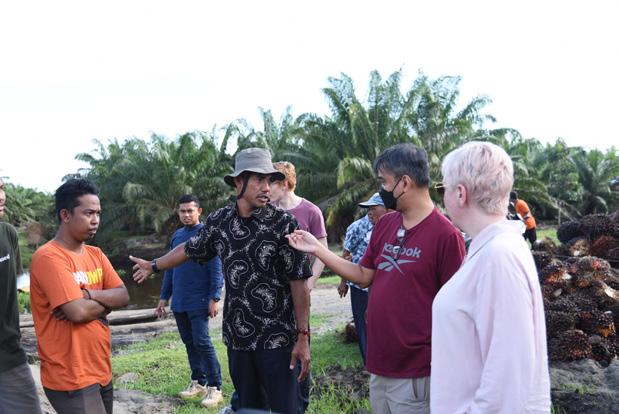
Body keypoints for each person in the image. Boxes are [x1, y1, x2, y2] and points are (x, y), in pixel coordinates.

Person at [287, 143, 466, 414]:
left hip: (416, 370)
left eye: (384, 182)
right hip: (380, 362)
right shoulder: (386, 224)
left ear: (404, 183)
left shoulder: (446, 236)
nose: (382, 189)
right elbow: (363, 275)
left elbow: (456, 314)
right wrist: (318, 249)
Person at [130, 147, 312, 414]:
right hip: (239, 340)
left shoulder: (283, 224)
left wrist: (303, 336)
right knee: (249, 409)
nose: (266, 187)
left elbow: (299, 283)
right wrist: (154, 265)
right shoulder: (220, 221)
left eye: (269, 180)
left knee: (286, 409)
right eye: (259, 179)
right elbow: (188, 249)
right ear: (238, 182)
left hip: (278, 340)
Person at [431, 141, 551, 413]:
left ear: (460, 193)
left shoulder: (499, 256)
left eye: (442, 188)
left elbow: (507, 377)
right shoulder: (490, 248)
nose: (442, 197)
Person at [30, 178, 130, 414]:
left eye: (98, 213)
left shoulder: (96, 254)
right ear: (65, 215)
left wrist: (87, 294)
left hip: (100, 367)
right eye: (88, 213)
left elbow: (124, 296)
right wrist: (105, 303)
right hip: (70, 376)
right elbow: (78, 312)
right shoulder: (49, 257)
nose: (95, 220)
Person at [156, 194, 225, 408]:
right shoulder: (177, 236)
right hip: (180, 301)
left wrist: (214, 297)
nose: (186, 215)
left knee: (202, 342)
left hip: (200, 299)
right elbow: (169, 268)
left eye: (190, 211)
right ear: (178, 213)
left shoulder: (207, 234)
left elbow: (216, 267)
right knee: (189, 343)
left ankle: (215, 388)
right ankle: (199, 383)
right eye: (182, 211)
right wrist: (163, 297)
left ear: (199, 211)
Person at [270, 160, 327, 414]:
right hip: (272, 295)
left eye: (271, 182)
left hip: (299, 291)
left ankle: (301, 402)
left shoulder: (311, 211)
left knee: (301, 341)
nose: (266, 188)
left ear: (285, 183)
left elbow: (321, 252)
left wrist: (310, 284)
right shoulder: (266, 212)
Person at [0, 187, 43, 413]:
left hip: (9, 351)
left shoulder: (8, 234)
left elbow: (18, 283)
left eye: (1, 188)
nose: (1, 196)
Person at [337, 192, 388, 365]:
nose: (370, 212)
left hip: (383, 285)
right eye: (368, 209)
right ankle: (368, 361)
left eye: (374, 208)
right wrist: (343, 282)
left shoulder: (394, 227)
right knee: (362, 322)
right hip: (360, 285)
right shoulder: (357, 227)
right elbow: (346, 255)